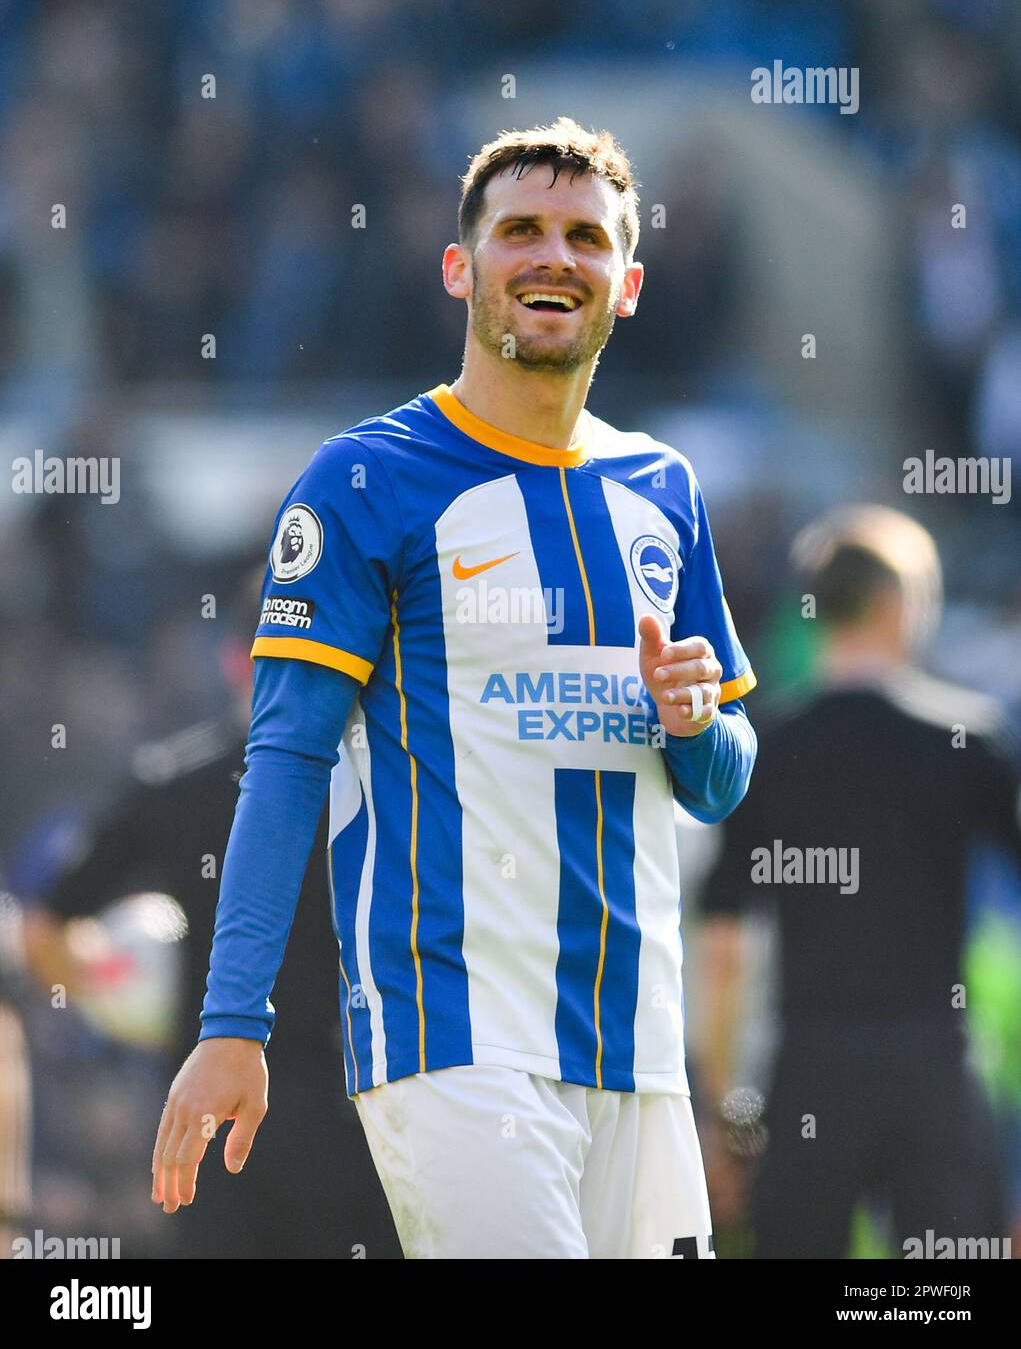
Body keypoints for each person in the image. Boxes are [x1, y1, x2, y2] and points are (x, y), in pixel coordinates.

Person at [152, 116, 759, 1259]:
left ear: (625, 284)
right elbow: (285, 762)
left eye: (584, 237)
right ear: (458, 268)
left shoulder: (661, 488)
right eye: (518, 230)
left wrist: (696, 724)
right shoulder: (363, 480)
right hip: (452, 1037)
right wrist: (234, 1023)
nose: (552, 257)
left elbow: (721, 780)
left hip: (639, 1047)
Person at [22, 580, 398, 1258]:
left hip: (210, 1117)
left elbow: (42, 929)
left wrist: (126, 1011)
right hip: (361, 1116)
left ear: (234, 660)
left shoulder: (171, 783)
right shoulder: (388, 788)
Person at [699, 505, 1021, 1259]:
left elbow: (724, 948)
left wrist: (724, 1113)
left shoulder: (769, 744)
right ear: (897, 605)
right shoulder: (968, 738)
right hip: (936, 1067)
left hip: (810, 1068)